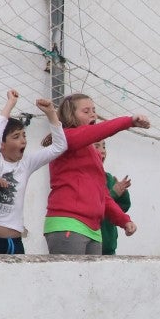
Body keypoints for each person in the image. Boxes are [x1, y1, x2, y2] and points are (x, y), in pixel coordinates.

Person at [43, 93, 148, 254]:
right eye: (86, 111)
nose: (92, 114)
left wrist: (123, 220)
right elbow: (98, 131)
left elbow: (103, 194)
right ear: (71, 115)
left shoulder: (91, 152)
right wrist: (128, 121)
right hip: (68, 222)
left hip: (93, 228)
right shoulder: (66, 138)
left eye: (93, 110)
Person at [0, 91, 67, 255]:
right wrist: (10, 103)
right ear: (2, 145)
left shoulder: (26, 163)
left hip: (16, 243)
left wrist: (51, 113)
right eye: (16, 136)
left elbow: (60, 146)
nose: (23, 140)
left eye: (24, 135)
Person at [94, 140, 132, 256]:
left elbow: (122, 208)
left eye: (104, 146)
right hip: (92, 242)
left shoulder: (108, 178)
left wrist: (122, 193)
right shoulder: (85, 178)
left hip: (109, 246)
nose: (103, 151)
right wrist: (113, 193)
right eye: (97, 146)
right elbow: (95, 206)